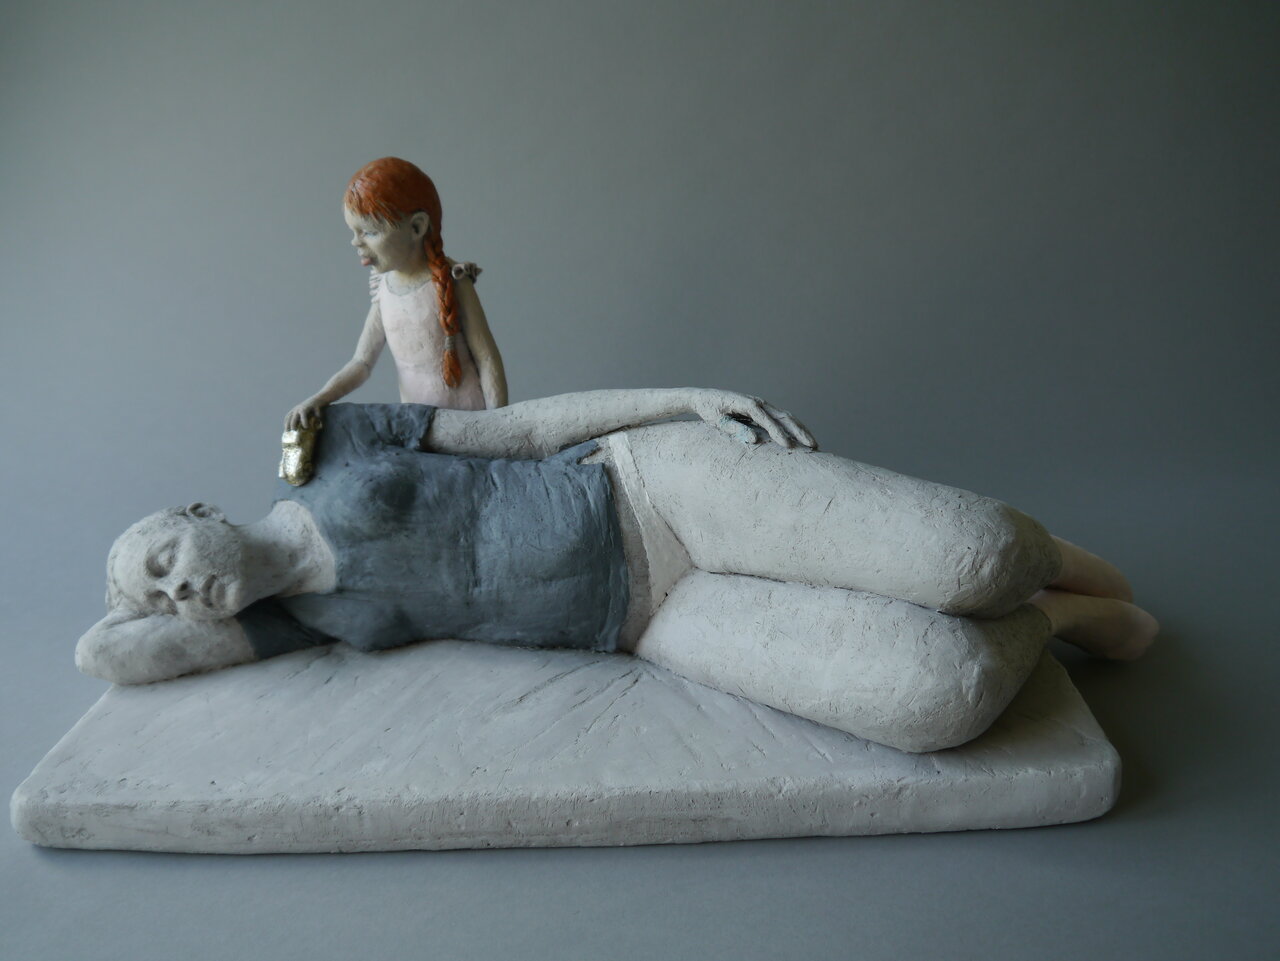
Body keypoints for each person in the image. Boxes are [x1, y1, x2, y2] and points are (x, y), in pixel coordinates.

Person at [78, 388, 1157, 753]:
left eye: (164, 558)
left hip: (652, 489)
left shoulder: (339, 452)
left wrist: (683, 398)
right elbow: (111, 655)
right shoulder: (305, 622)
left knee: (970, 555)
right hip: (650, 617)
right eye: (159, 596)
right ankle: (1054, 621)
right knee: (936, 695)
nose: (174, 593)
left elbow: (519, 427)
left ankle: (1049, 568)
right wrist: (122, 607)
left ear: (198, 509)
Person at [285, 157, 507, 428]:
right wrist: (320, 398)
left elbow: (487, 358)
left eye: (369, 232)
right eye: (354, 232)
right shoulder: (384, 288)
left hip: (470, 422)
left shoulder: (454, 280)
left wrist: (499, 424)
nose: (355, 242)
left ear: (416, 227)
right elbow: (361, 362)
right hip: (417, 427)